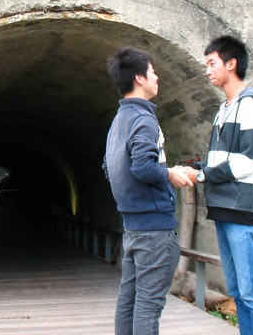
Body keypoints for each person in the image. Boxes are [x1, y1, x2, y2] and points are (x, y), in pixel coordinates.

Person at [184, 35, 253, 335]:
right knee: (238, 291)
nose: (207, 70)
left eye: (212, 63)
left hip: (243, 207)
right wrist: (196, 169)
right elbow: (218, 161)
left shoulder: (252, 106)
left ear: (231, 63)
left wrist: (203, 176)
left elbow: (248, 161)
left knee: (252, 292)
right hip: (224, 207)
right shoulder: (224, 109)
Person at [102, 46, 193, 335]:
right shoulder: (144, 119)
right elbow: (142, 167)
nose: (157, 77)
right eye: (153, 72)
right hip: (154, 230)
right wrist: (170, 174)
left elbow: (109, 167)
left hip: (132, 229)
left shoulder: (118, 121)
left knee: (128, 301)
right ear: (139, 78)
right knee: (148, 306)